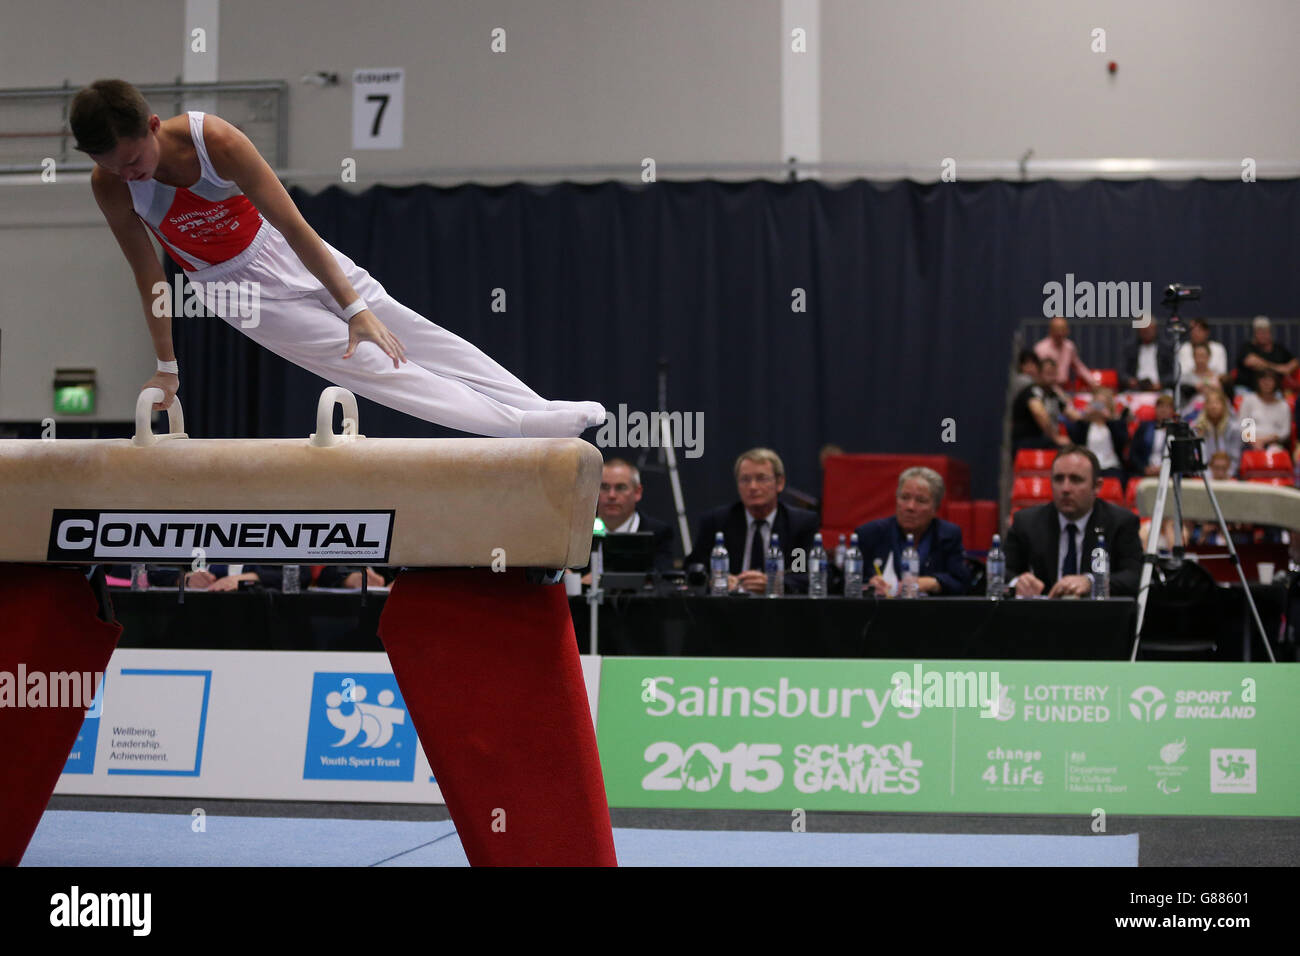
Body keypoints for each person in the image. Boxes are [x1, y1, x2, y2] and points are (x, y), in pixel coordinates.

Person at [70, 79, 604, 438]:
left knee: (412, 333)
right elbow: (148, 274)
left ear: (155, 125)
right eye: (114, 168)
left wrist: (354, 307)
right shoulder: (112, 186)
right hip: (233, 290)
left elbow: (293, 225)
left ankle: (537, 407)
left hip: (286, 247)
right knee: (377, 369)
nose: (129, 175)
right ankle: (515, 428)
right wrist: (167, 369)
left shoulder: (216, 141)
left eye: (134, 160)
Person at [1004, 445, 1143, 597]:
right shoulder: (1026, 522)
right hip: (1041, 615)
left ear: (1097, 486)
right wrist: (1017, 582)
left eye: (1076, 480)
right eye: (1058, 479)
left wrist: (1092, 581)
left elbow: (1134, 576)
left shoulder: (1120, 522)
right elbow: (1001, 570)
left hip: (1096, 616)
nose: (1065, 488)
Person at [684, 448, 819, 594]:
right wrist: (715, 580)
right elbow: (694, 569)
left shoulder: (798, 525)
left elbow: (807, 574)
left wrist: (775, 583)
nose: (752, 487)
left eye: (761, 478)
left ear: (780, 483)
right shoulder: (716, 522)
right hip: (728, 608)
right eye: (745, 480)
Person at [853, 467, 970, 596]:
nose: (910, 507)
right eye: (904, 497)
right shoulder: (870, 533)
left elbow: (962, 583)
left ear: (936, 508)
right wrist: (869, 583)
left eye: (921, 501)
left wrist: (933, 583)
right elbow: (844, 581)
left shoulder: (948, 535)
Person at [582, 458, 675, 581]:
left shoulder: (658, 533)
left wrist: (605, 581)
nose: (611, 495)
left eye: (620, 487)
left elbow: (663, 579)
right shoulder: (579, 531)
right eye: (604, 487)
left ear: (637, 492)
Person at [1066, 387, 1129, 487]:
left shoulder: (1116, 424)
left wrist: (1110, 419)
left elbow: (1122, 441)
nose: (1099, 407)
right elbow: (1075, 439)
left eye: (1102, 403)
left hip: (1111, 466)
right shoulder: (1084, 425)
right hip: (1087, 466)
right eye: (1097, 403)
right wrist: (1084, 417)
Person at [1010, 356, 1071, 452]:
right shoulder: (1031, 391)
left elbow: (1072, 413)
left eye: (1054, 374)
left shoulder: (1053, 394)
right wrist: (1056, 438)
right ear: (1039, 374)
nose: (1052, 378)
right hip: (1027, 441)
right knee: (1062, 449)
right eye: (1048, 374)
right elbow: (1039, 413)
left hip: (1045, 440)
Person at [1233, 316, 1297, 395]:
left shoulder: (1279, 349)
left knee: (1280, 398)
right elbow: (1252, 362)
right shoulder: (1247, 347)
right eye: (1259, 332)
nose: (1262, 335)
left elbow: (1294, 362)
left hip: (1274, 391)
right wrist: (1279, 369)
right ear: (1254, 334)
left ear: (1270, 333)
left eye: (1265, 332)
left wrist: (1287, 368)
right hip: (1247, 388)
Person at [1194, 387, 1244, 476]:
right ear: (1205, 406)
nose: (1213, 406)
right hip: (1205, 475)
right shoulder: (1198, 428)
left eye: (1217, 403)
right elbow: (1198, 458)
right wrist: (1208, 475)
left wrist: (1227, 474)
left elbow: (1235, 459)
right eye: (1210, 403)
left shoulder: (1234, 429)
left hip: (1229, 475)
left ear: (1224, 406)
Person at [1238, 369, 1292, 452]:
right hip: (1250, 443)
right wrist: (1254, 441)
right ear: (1258, 381)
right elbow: (1242, 426)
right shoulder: (1248, 400)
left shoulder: (1283, 405)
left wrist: (1265, 440)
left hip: (1274, 443)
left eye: (1270, 380)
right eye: (1263, 379)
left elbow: (1285, 432)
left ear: (1276, 382)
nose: (1266, 383)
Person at [1035, 317, 1095, 388]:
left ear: (1068, 331)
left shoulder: (1069, 347)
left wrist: (1093, 382)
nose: (1060, 333)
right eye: (1057, 330)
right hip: (1045, 387)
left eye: (1063, 329)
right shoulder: (1041, 348)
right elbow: (1038, 374)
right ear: (1050, 331)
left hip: (1063, 387)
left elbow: (1079, 367)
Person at [1127, 393, 1177, 479]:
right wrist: (1144, 469)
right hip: (1145, 473)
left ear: (1172, 411)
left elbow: (1179, 458)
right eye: (1161, 407)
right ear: (1155, 409)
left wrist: (1165, 469)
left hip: (1168, 474)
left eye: (1167, 407)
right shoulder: (1144, 427)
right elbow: (1133, 454)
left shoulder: (1177, 431)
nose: (1163, 410)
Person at [1121, 318, 1175, 392]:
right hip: (1135, 389)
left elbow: (1173, 372)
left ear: (1155, 329)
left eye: (1149, 330)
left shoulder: (1166, 348)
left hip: (1160, 389)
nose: (1146, 333)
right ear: (1138, 330)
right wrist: (1130, 381)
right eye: (1144, 330)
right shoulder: (1130, 349)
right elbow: (1122, 371)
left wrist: (1162, 383)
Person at [1176, 317, 1229, 382]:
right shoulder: (1184, 348)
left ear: (1207, 332)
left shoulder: (1218, 348)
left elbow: (1222, 374)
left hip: (1214, 386)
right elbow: (1182, 374)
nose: (1195, 333)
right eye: (1192, 330)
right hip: (1190, 387)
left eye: (1198, 330)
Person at [1179, 342, 1221, 416]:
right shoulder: (1185, 377)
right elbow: (1182, 396)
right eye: (1197, 356)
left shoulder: (1218, 376)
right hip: (1190, 413)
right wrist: (1195, 389)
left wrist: (1216, 389)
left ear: (1209, 357)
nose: (1200, 360)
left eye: (1203, 356)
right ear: (1193, 357)